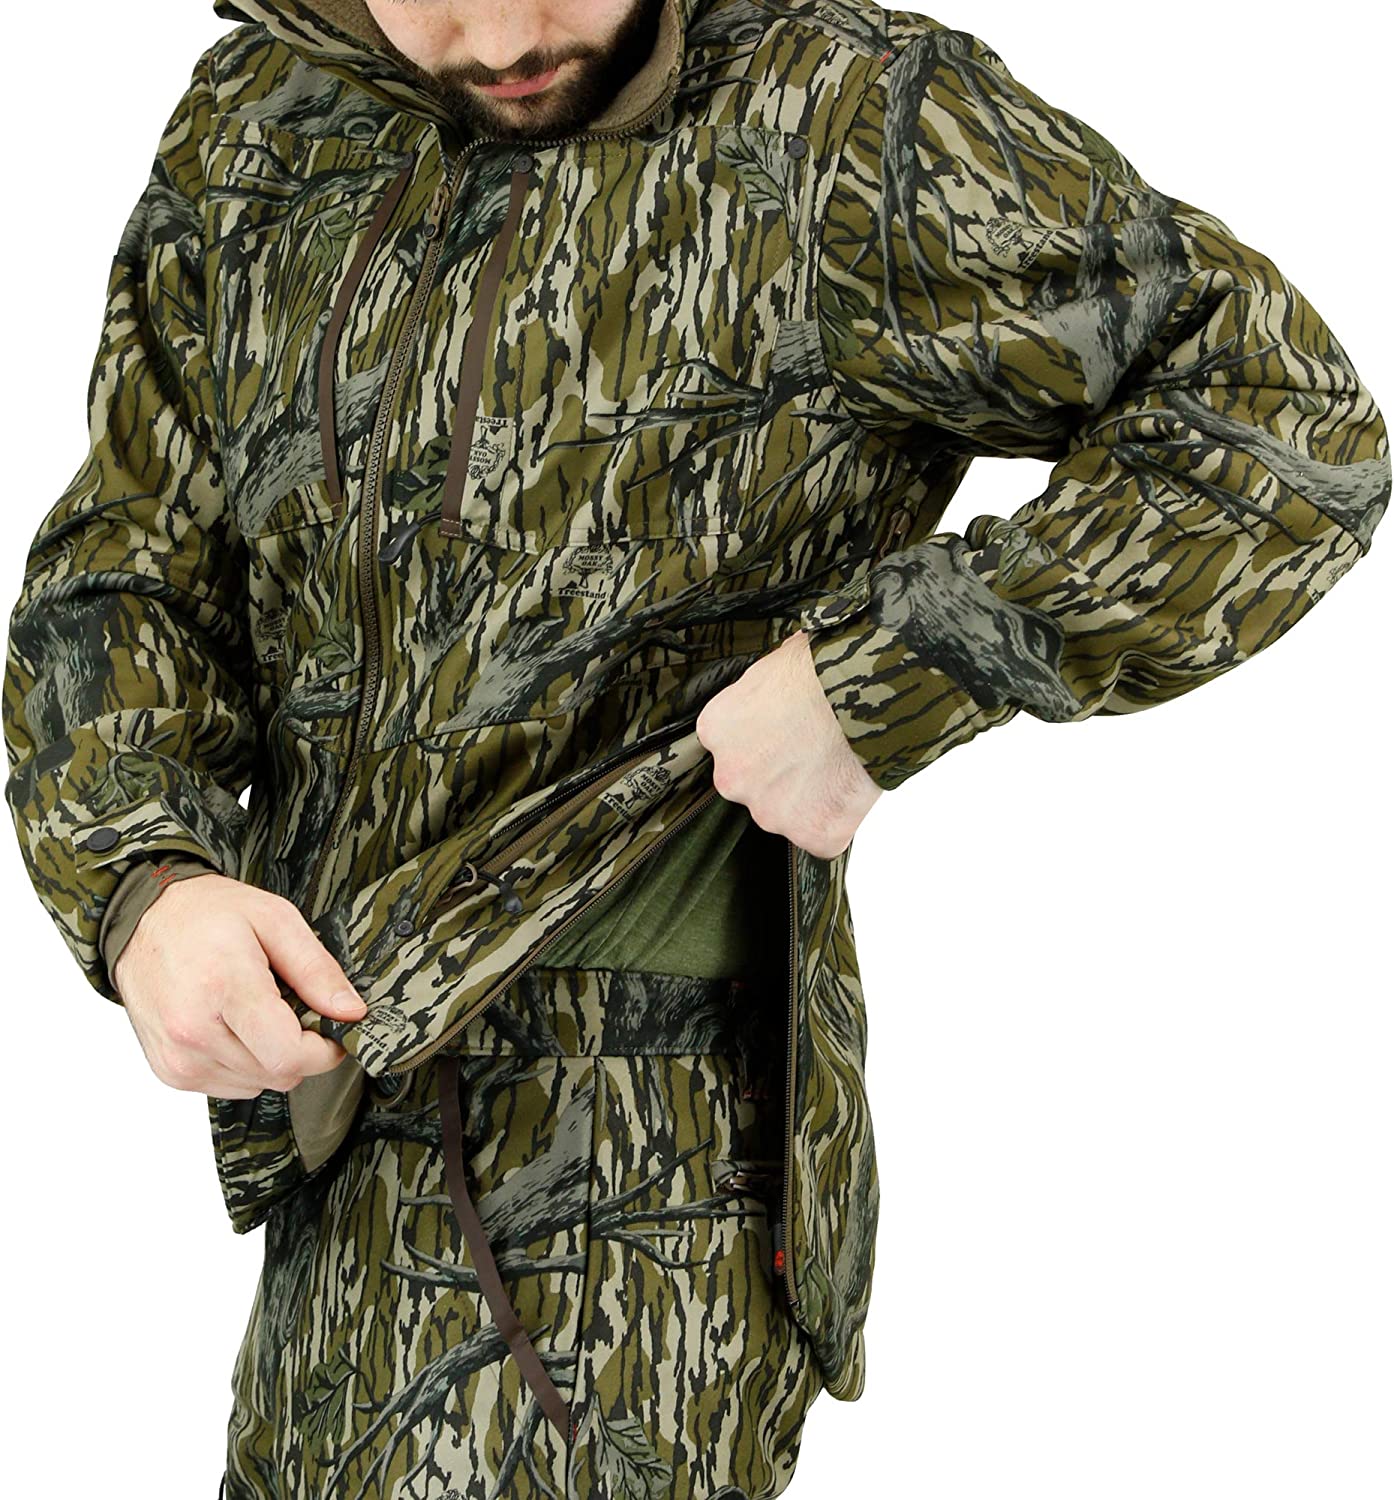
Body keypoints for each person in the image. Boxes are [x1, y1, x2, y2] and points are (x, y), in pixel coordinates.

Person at [4, 1, 1387, 1495]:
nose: (502, 31)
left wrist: (884, 680)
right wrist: (144, 882)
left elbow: (1277, 423)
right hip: (336, 1176)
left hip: (631, 1185)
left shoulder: (837, 120)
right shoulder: (262, 122)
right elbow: (129, 569)